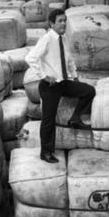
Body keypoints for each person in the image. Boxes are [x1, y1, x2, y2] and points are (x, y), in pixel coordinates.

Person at [25, 9, 95, 163]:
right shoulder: (47, 39)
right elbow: (30, 58)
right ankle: (46, 152)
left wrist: (75, 76)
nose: (63, 23)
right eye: (60, 21)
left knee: (89, 91)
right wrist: (44, 76)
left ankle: (75, 118)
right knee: (48, 121)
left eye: (65, 20)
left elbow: (68, 60)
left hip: (63, 82)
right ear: (52, 24)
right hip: (49, 86)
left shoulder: (63, 39)